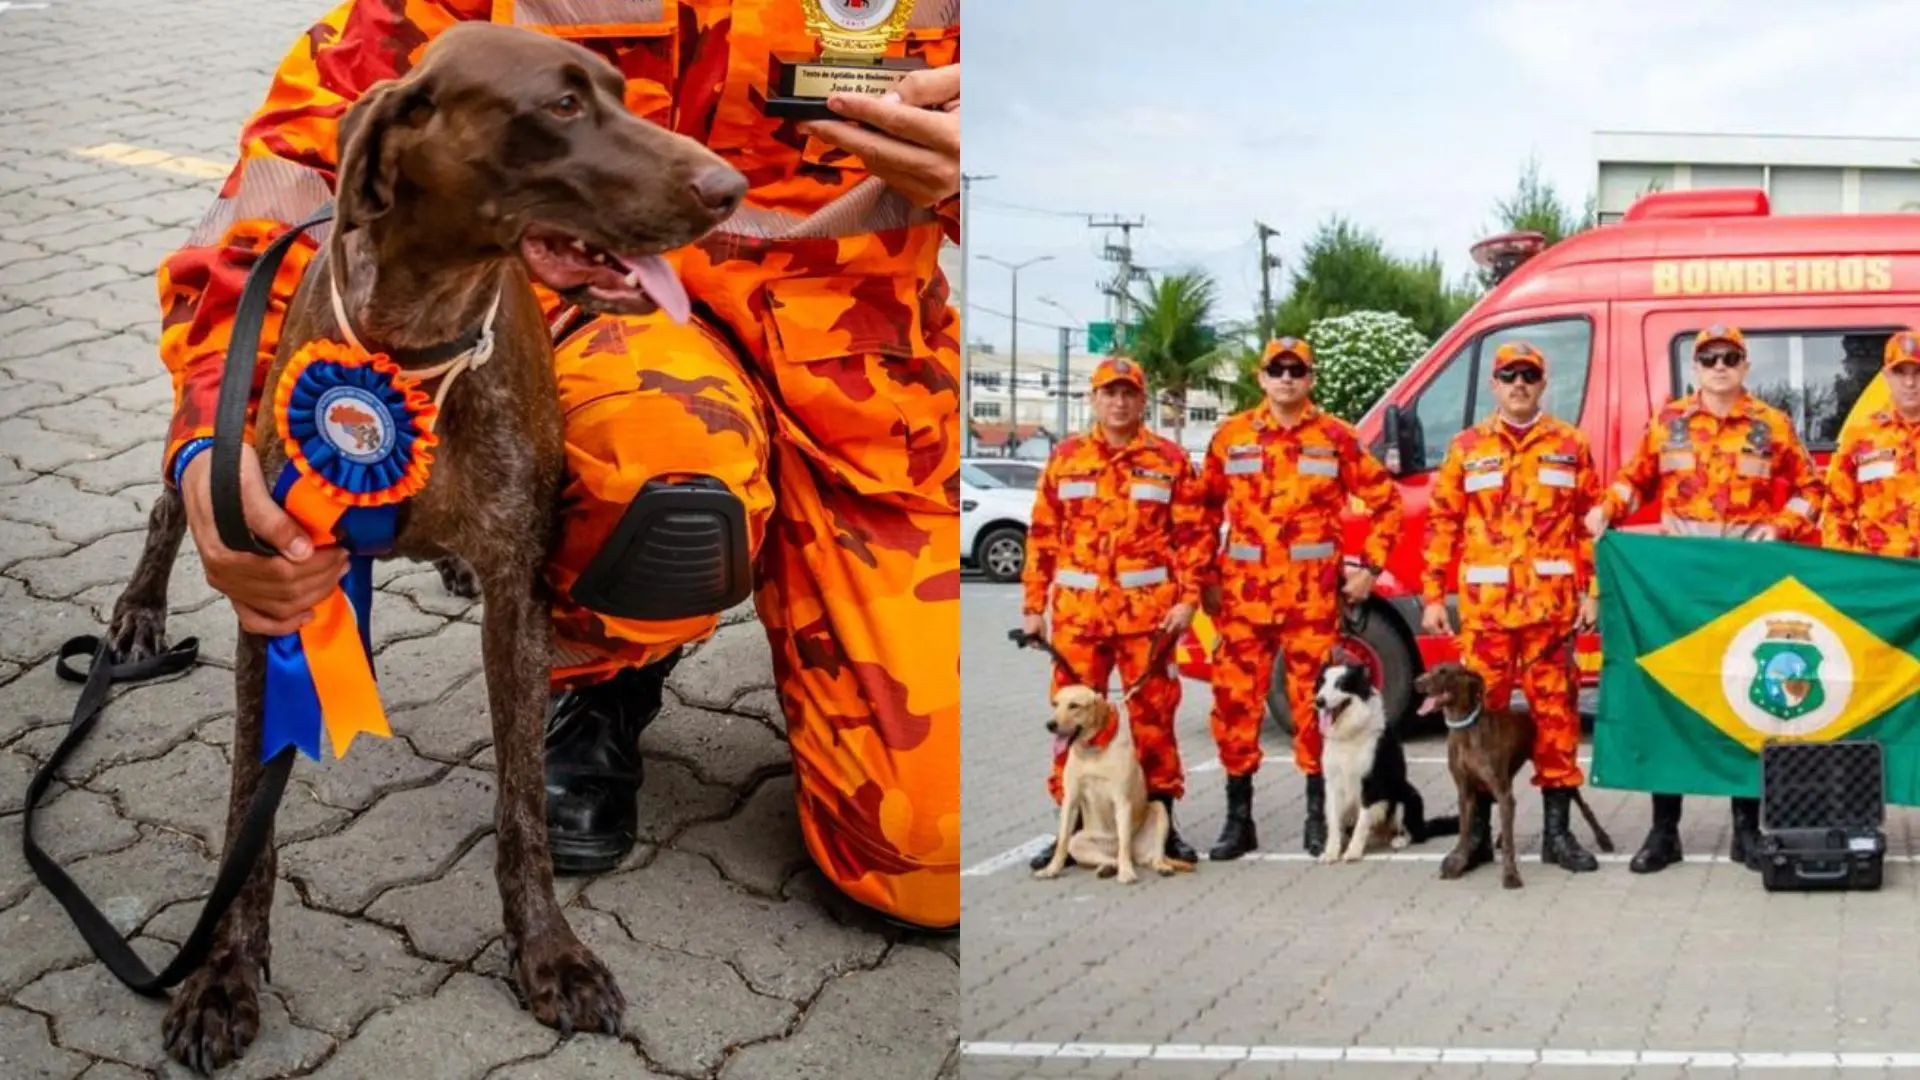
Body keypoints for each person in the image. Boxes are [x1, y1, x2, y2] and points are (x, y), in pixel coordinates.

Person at [154, 0, 961, 931]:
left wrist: (983, 170)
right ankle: (599, 681)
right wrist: (213, 432)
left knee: (928, 855)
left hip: (862, 371)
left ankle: (831, 664)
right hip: (606, 336)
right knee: (659, 470)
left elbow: (1071, 152)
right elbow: (291, 170)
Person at [1585, 324, 1822, 874]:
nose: (1719, 367)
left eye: (1729, 358)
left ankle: (1747, 830)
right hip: (1678, 588)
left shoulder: (1771, 425)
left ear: (1744, 366)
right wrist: (1607, 508)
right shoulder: (1668, 422)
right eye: (1709, 358)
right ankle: (1664, 831)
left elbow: (1814, 491)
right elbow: (1632, 482)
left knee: (1747, 695)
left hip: (1745, 582)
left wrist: (1783, 526)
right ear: (1695, 367)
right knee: (1671, 697)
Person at [1196, 338, 1401, 860]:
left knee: (1315, 711)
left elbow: (1387, 502)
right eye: (1276, 369)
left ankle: (1318, 818)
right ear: (1260, 377)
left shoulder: (1336, 437)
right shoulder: (1231, 437)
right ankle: (1238, 820)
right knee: (1234, 707)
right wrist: (1203, 577)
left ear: (1310, 378)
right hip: (1243, 602)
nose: (1286, 377)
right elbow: (1199, 513)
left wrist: (1370, 568)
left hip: (1310, 604)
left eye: (1296, 369)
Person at [1420, 342, 1601, 874]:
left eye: (1529, 375)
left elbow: (1589, 524)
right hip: (1487, 617)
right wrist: (1432, 595)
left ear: (1543, 384)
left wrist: (1593, 592)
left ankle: (1557, 835)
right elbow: (1443, 523)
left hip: (1551, 614)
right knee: (1475, 721)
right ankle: (1475, 837)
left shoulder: (1570, 444)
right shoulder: (1467, 447)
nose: (1519, 383)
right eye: (1508, 375)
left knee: (1556, 719)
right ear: (1494, 385)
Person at [1020, 356, 1207, 870]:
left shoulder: (1169, 460)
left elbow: (1193, 537)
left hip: (1149, 621)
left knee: (1153, 721)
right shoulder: (1066, 458)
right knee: (1071, 721)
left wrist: (1189, 599)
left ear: (1142, 400)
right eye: (1110, 393)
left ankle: (1161, 822)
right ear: (1094, 398)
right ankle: (1071, 826)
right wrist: (1033, 607)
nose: (1119, 402)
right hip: (1078, 623)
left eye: (1128, 393)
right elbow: (1042, 536)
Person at [1822, 331, 1920, 555]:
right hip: (1880, 570)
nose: (1910, 382)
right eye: (1900, 372)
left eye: (1918, 372)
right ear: (1886, 376)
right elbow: (1836, 510)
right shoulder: (1861, 435)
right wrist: (1849, 567)